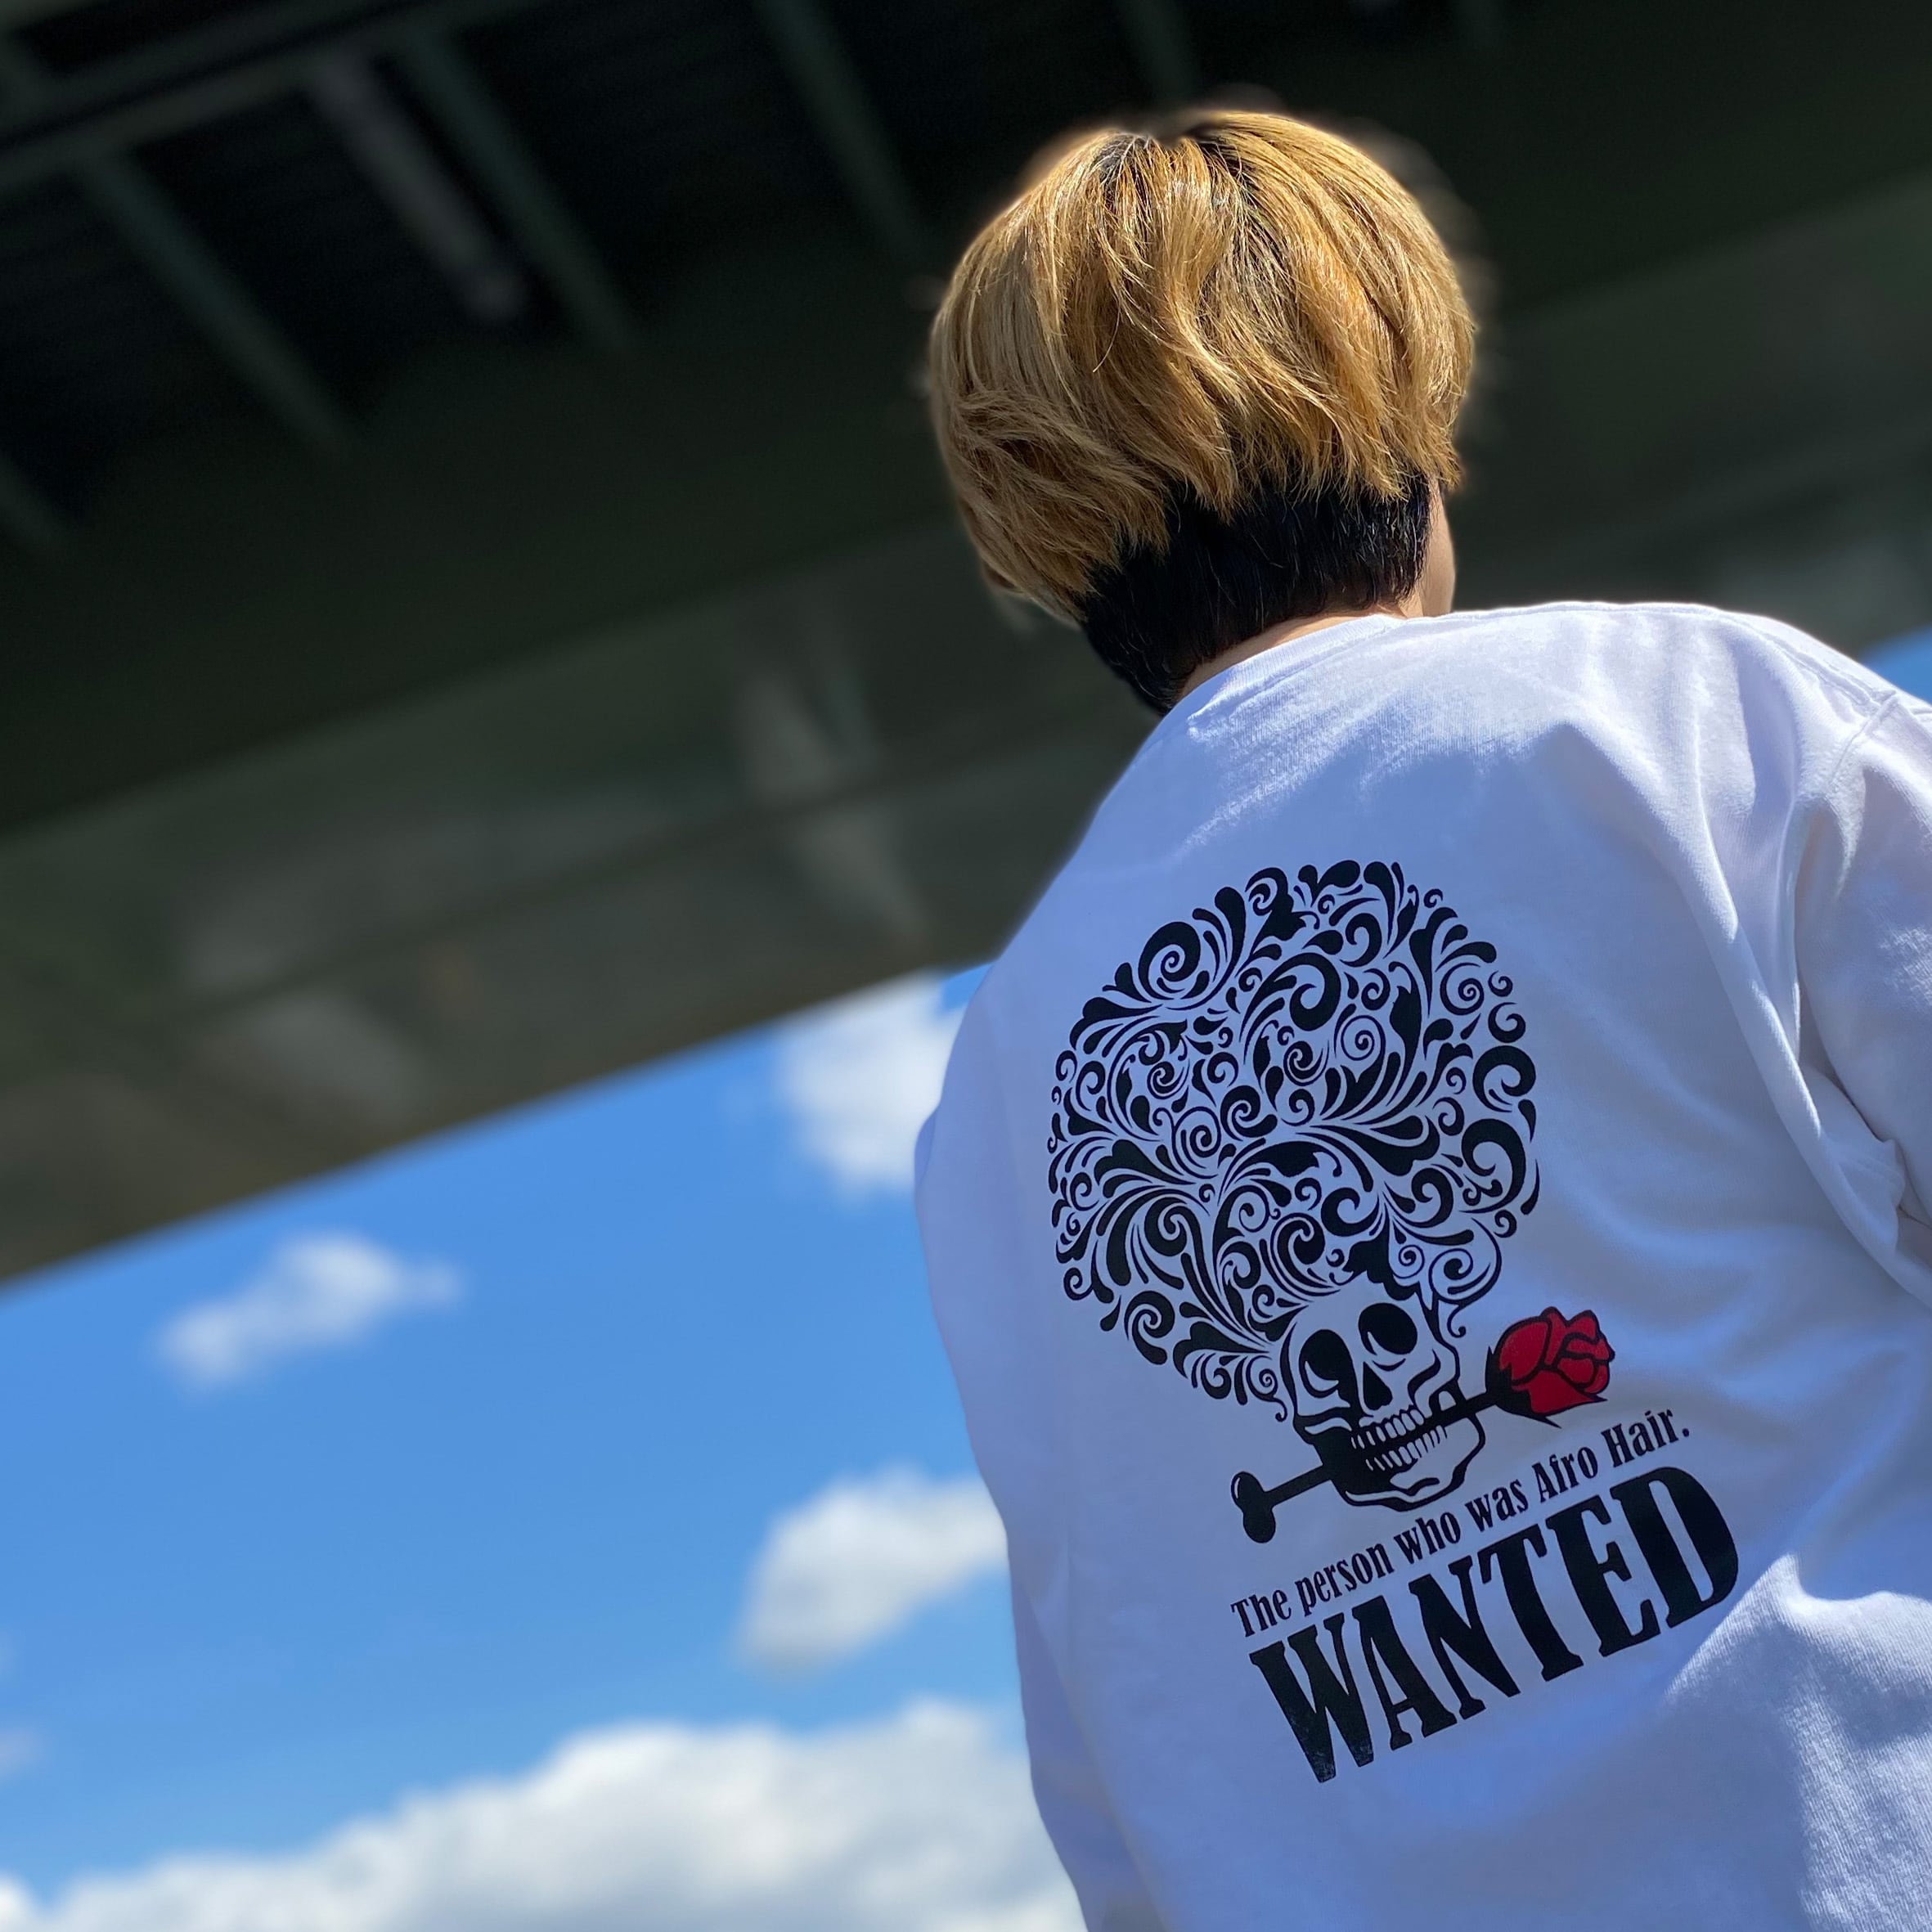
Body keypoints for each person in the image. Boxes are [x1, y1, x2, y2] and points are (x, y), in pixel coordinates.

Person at [913, 108, 1932, 1930]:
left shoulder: (992, 1094)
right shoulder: (1689, 719)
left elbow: (1117, 1772)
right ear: (1405, 392)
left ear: (1030, 527)